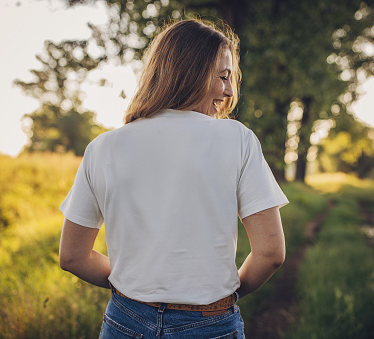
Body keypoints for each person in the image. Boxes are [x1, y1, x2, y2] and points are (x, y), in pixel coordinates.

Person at [58, 18, 288, 338]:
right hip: (210, 324)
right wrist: (224, 298)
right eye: (223, 76)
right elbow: (271, 253)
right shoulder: (237, 139)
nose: (229, 90)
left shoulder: (103, 148)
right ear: (191, 72)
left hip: (125, 321)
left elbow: (72, 256)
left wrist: (135, 286)